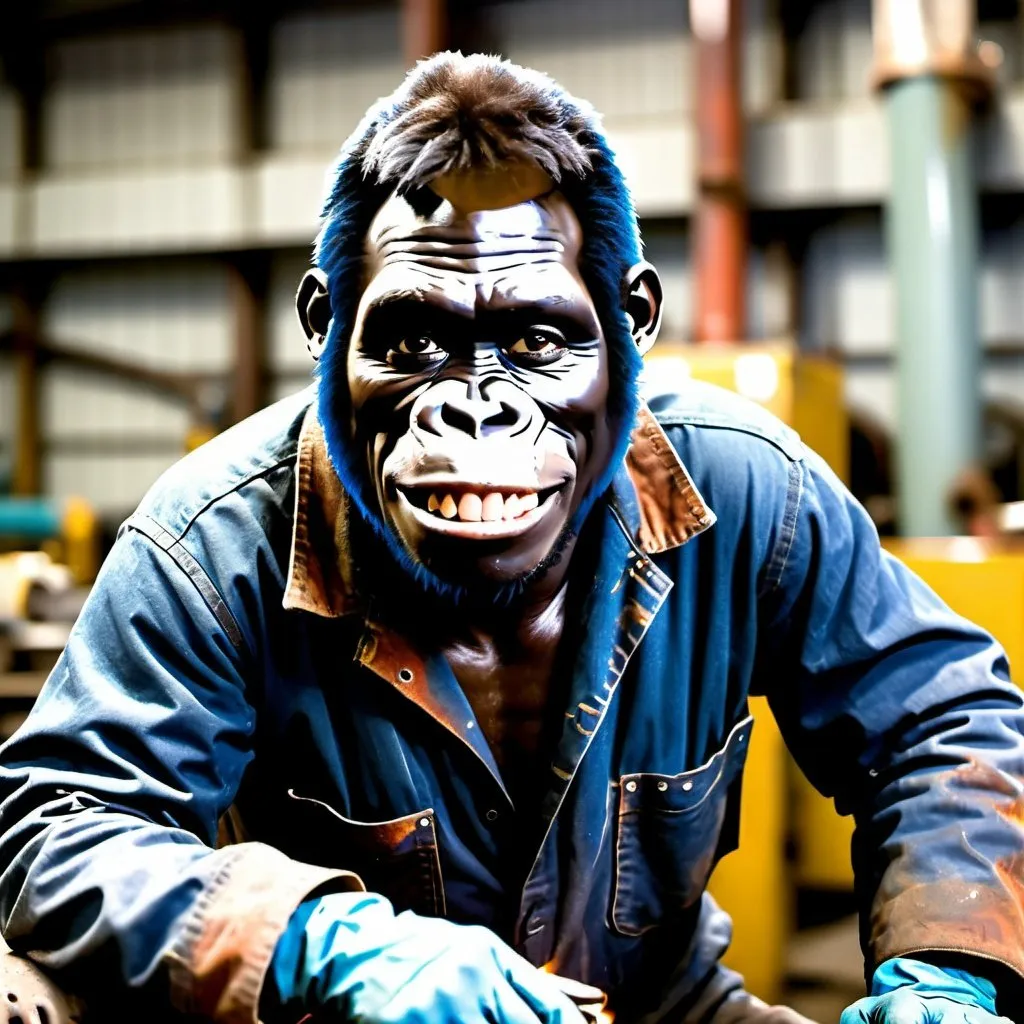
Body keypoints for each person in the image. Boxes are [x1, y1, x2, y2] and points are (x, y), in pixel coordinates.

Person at [0, 53, 1021, 1024]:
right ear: (324, 326)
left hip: (654, 1007)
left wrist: (948, 973)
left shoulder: (749, 490)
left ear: (629, 323)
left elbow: (942, 725)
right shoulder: (215, 541)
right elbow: (54, 831)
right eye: (411, 343)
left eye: (537, 341)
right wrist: (329, 940)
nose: (475, 407)